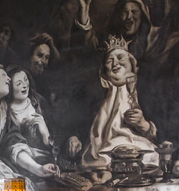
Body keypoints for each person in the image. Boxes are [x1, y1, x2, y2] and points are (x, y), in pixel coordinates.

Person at [66, 36, 158, 170]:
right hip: (103, 152)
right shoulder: (94, 95)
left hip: (139, 150)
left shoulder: (146, 92)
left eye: (120, 58)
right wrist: (75, 137)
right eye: (110, 61)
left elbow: (165, 133)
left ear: (132, 64)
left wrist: (144, 125)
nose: (115, 64)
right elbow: (79, 123)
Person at [0, 67, 60, 180]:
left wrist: (45, 133)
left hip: (47, 160)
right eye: (19, 83)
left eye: (25, 80)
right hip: (22, 165)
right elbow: (10, 146)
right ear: (10, 88)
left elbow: (55, 137)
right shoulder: (6, 112)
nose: (24, 85)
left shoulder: (39, 102)